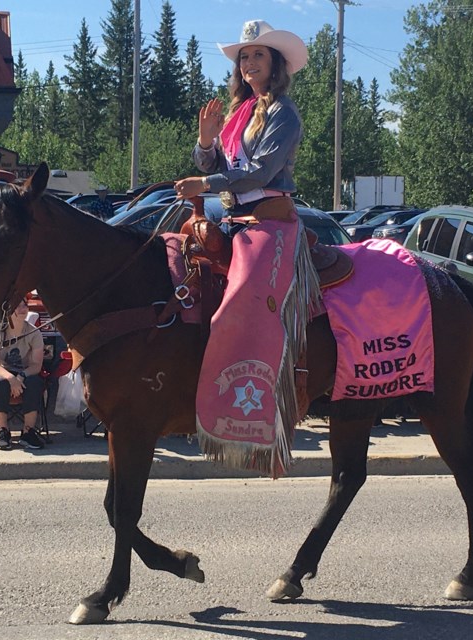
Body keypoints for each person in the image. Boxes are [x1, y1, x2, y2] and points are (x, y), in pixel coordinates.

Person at [172, 19, 316, 469]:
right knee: (177, 262)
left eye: (258, 55)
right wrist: (205, 142)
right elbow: (221, 161)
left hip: (269, 221)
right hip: (234, 218)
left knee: (242, 299)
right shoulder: (240, 112)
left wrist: (205, 180)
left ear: (275, 64)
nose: (250, 62)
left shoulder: (283, 113)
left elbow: (259, 173)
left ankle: (259, 412)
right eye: (244, 57)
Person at [0, 299, 48, 451]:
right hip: (0, 372)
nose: (22, 309)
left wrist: (20, 376)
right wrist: (11, 378)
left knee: (35, 383)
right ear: (7, 311)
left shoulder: (34, 332)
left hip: (24, 374)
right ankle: (3, 431)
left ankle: (28, 432)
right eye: (17, 306)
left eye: (24, 305)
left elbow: (36, 365)